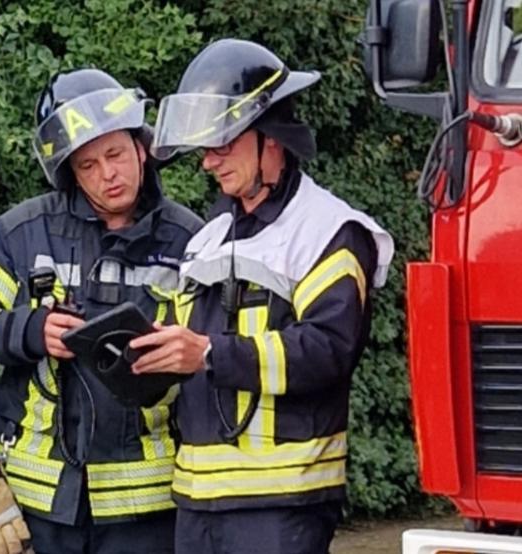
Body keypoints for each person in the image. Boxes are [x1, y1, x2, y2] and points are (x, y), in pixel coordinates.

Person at [130, 39, 396, 554]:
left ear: (270, 136)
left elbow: (328, 351)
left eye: (222, 145)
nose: (207, 162)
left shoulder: (328, 231)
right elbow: (179, 353)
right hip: (196, 502)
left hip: (282, 504)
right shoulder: (208, 238)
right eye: (204, 148)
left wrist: (208, 353)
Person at [0, 68, 203, 554]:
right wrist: (29, 330)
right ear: (70, 172)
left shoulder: (189, 241)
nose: (108, 175)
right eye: (88, 165)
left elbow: (210, 354)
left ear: (141, 149)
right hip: (39, 502)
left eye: (115, 155)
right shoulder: (20, 232)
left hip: (147, 505)